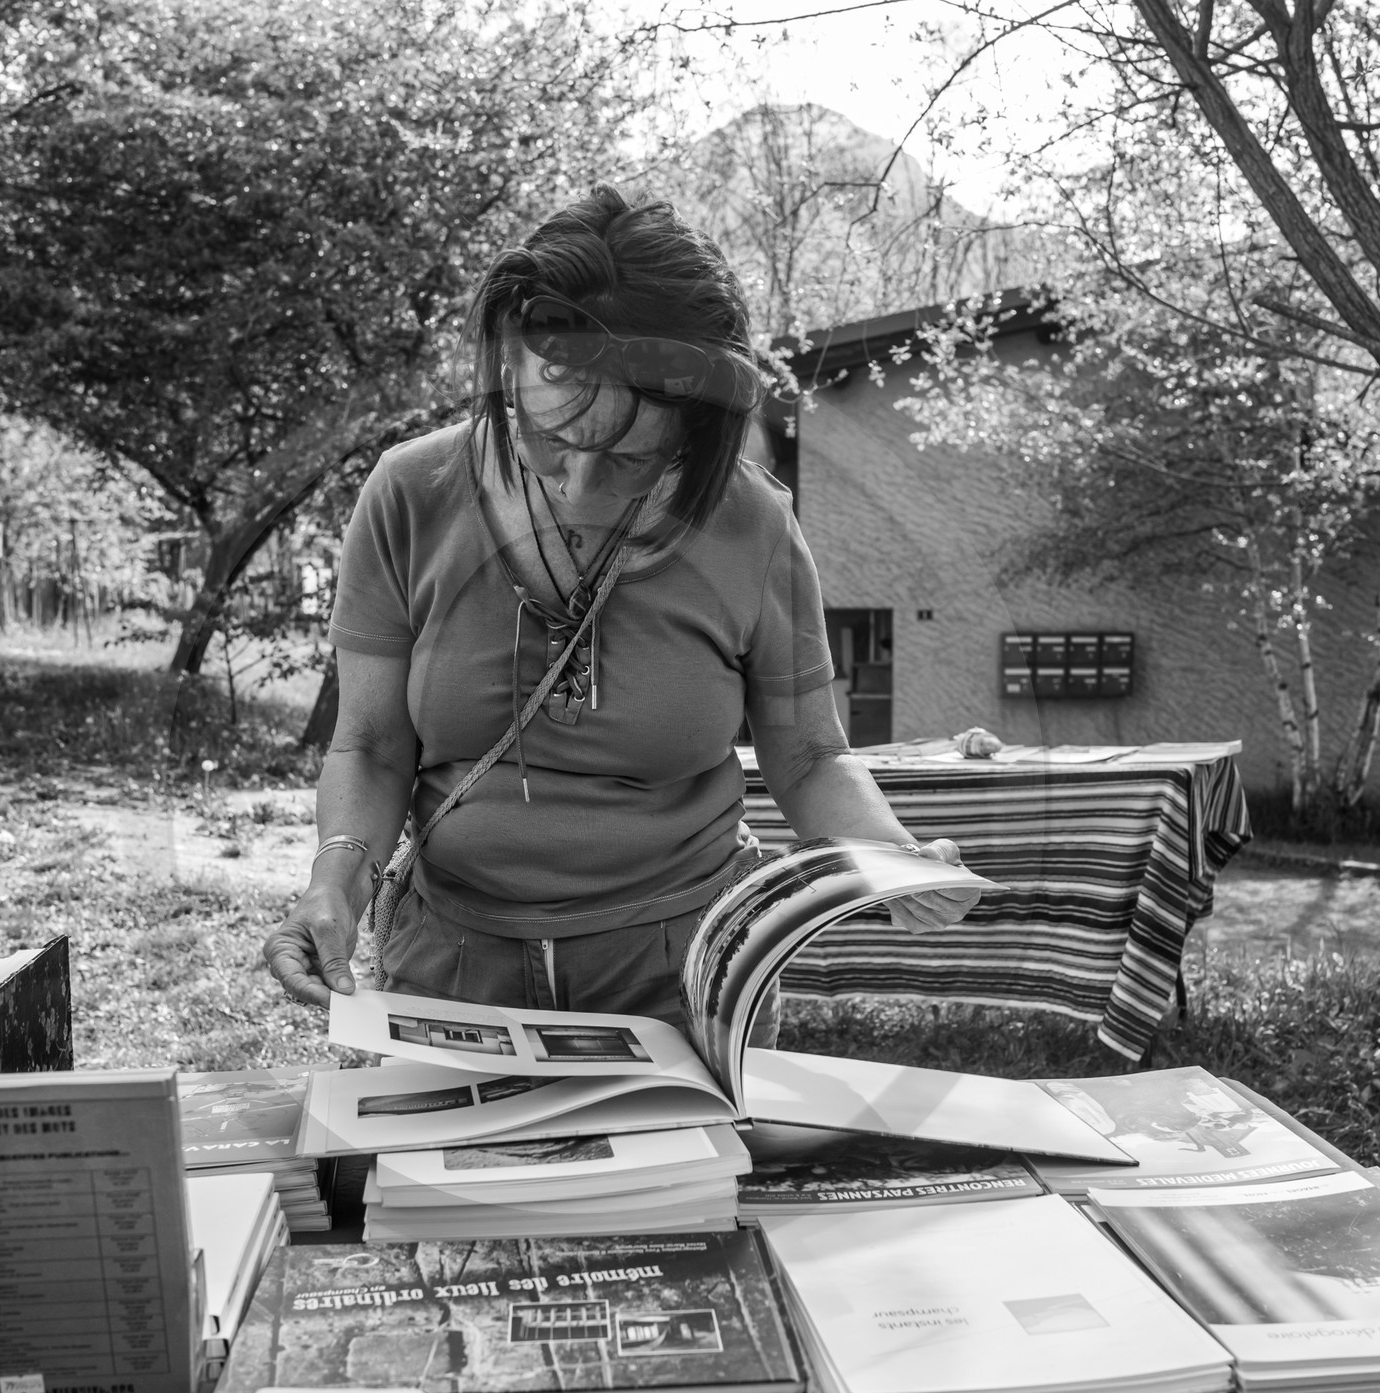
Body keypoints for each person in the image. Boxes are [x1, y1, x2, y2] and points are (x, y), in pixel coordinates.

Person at [265, 185, 979, 1032]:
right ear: (510, 372)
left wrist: (888, 854)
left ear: (696, 434)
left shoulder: (751, 523)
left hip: (685, 968)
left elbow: (812, 754)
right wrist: (334, 886)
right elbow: (374, 745)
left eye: (634, 458)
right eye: (550, 441)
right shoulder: (411, 493)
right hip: (450, 963)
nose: (579, 485)